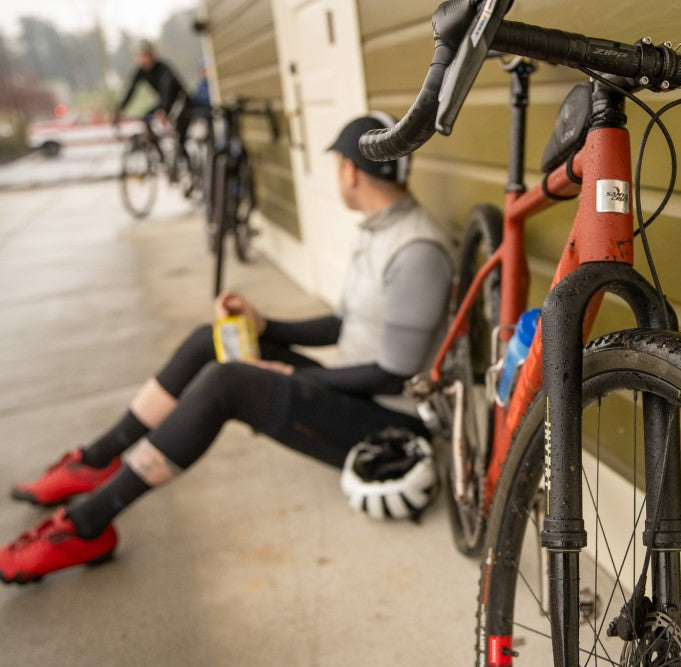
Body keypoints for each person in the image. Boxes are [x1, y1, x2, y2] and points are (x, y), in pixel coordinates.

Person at [0, 114, 454, 584]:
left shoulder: (415, 252)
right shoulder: (379, 229)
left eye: (337, 163)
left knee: (230, 383)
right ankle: (97, 460)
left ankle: (87, 526)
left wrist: (298, 377)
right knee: (212, 340)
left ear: (350, 171)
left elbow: (394, 376)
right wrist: (264, 325)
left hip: (393, 427)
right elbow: (343, 324)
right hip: (356, 393)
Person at [113, 40, 193, 165]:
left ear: (152, 55)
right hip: (164, 102)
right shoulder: (141, 71)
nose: (144, 59)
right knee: (146, 117)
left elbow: (168, 89)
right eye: (141, 56)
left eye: (147, 55)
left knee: (179, 135)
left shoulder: (164, 68)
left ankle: (186, 164)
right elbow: (131, 90)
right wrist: (119, 109)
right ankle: (161, 157)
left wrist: (163, 110)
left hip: (180, 101)